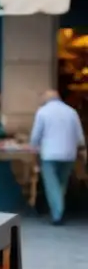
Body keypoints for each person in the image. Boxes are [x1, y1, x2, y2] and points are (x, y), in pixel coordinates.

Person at [31, 89, 85, 225]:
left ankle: (57, 214)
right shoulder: (71, 112)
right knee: (61, 183)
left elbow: (36, 135)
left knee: (51, 184)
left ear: (46, 98)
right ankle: (58, 209)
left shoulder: (42, 112)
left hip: (49, 154)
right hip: (68, 154)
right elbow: (80, 137)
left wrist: (33, 146)